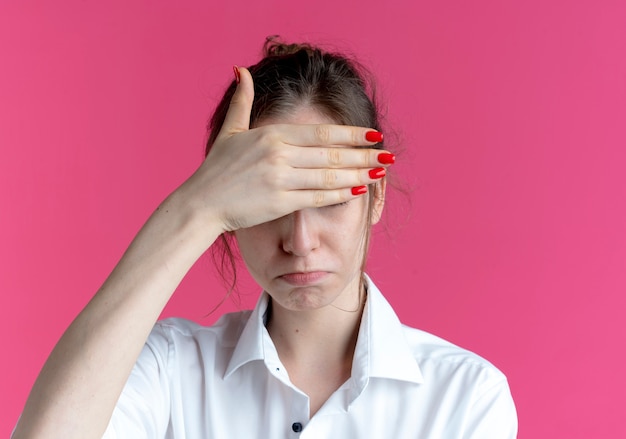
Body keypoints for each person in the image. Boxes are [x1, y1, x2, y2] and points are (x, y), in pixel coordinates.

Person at [13, 38, 517, 438]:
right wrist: (196, 206)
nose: (299, 241)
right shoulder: (171, 371)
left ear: (375, 196)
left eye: (329, 200)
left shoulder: (466, 397)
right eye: (267, 206)